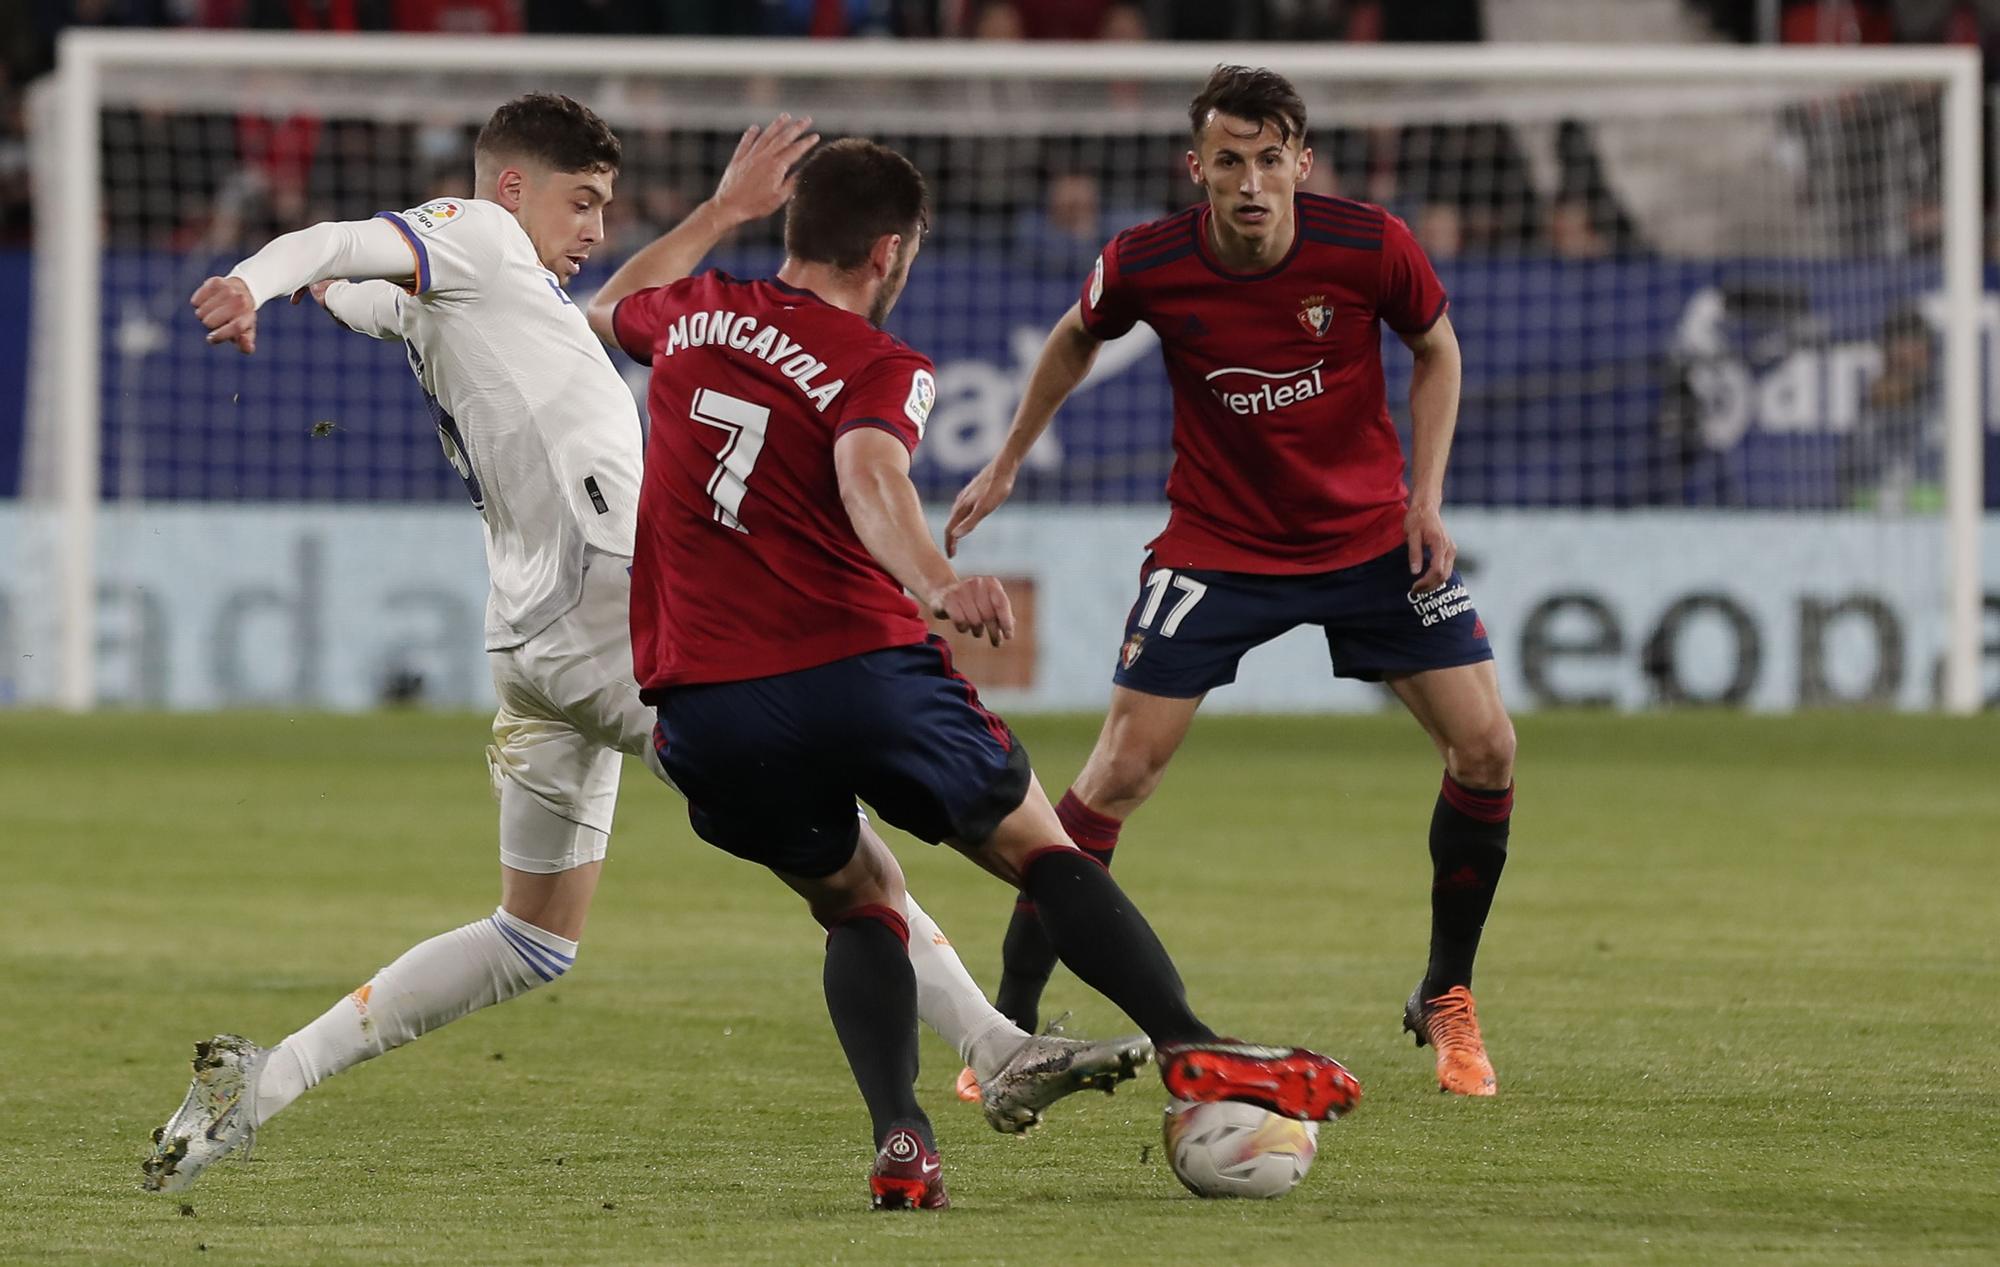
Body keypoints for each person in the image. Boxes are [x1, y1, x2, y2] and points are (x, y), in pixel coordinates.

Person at [143, 96, 1142, 1196]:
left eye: (608, 205)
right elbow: (339, 245)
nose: (595, 228)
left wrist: (716, 212)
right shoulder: (476, 236)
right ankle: (997, 1049)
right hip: (612, 611)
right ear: (508, 189)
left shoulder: (477, 294)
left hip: (531, 645)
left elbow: (360, 282)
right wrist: (256, 278)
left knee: (533, 940)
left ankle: (266, 1076)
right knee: (826, 819)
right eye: (582, 201)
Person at [593, 136, 1361, 1211]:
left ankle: (901, 1141)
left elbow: (602, 304)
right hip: (857, 667)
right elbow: (867, 472)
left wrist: (719, 210)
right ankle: (1190, 1041)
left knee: (856, 901)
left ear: (790, 231)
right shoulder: (881, 364)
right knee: (1037, 846)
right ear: (891, 252)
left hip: (705, 703)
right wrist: (934, 577)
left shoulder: (691, 310)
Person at [947, 65, 1518, 1098]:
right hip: (1217, 546)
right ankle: (1011, 1020)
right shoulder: (1147, 262)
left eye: (1268, 160)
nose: (1249, 183)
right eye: (1228, 162)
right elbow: (1075, 336)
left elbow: (1435, 349)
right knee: (1113, 776)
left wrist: (1424, 498)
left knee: (1485, 748)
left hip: (1368, 542)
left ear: (1299, 162)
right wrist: (1008, 458)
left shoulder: (1367, 243)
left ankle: (1445, 993)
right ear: (1195, 167)